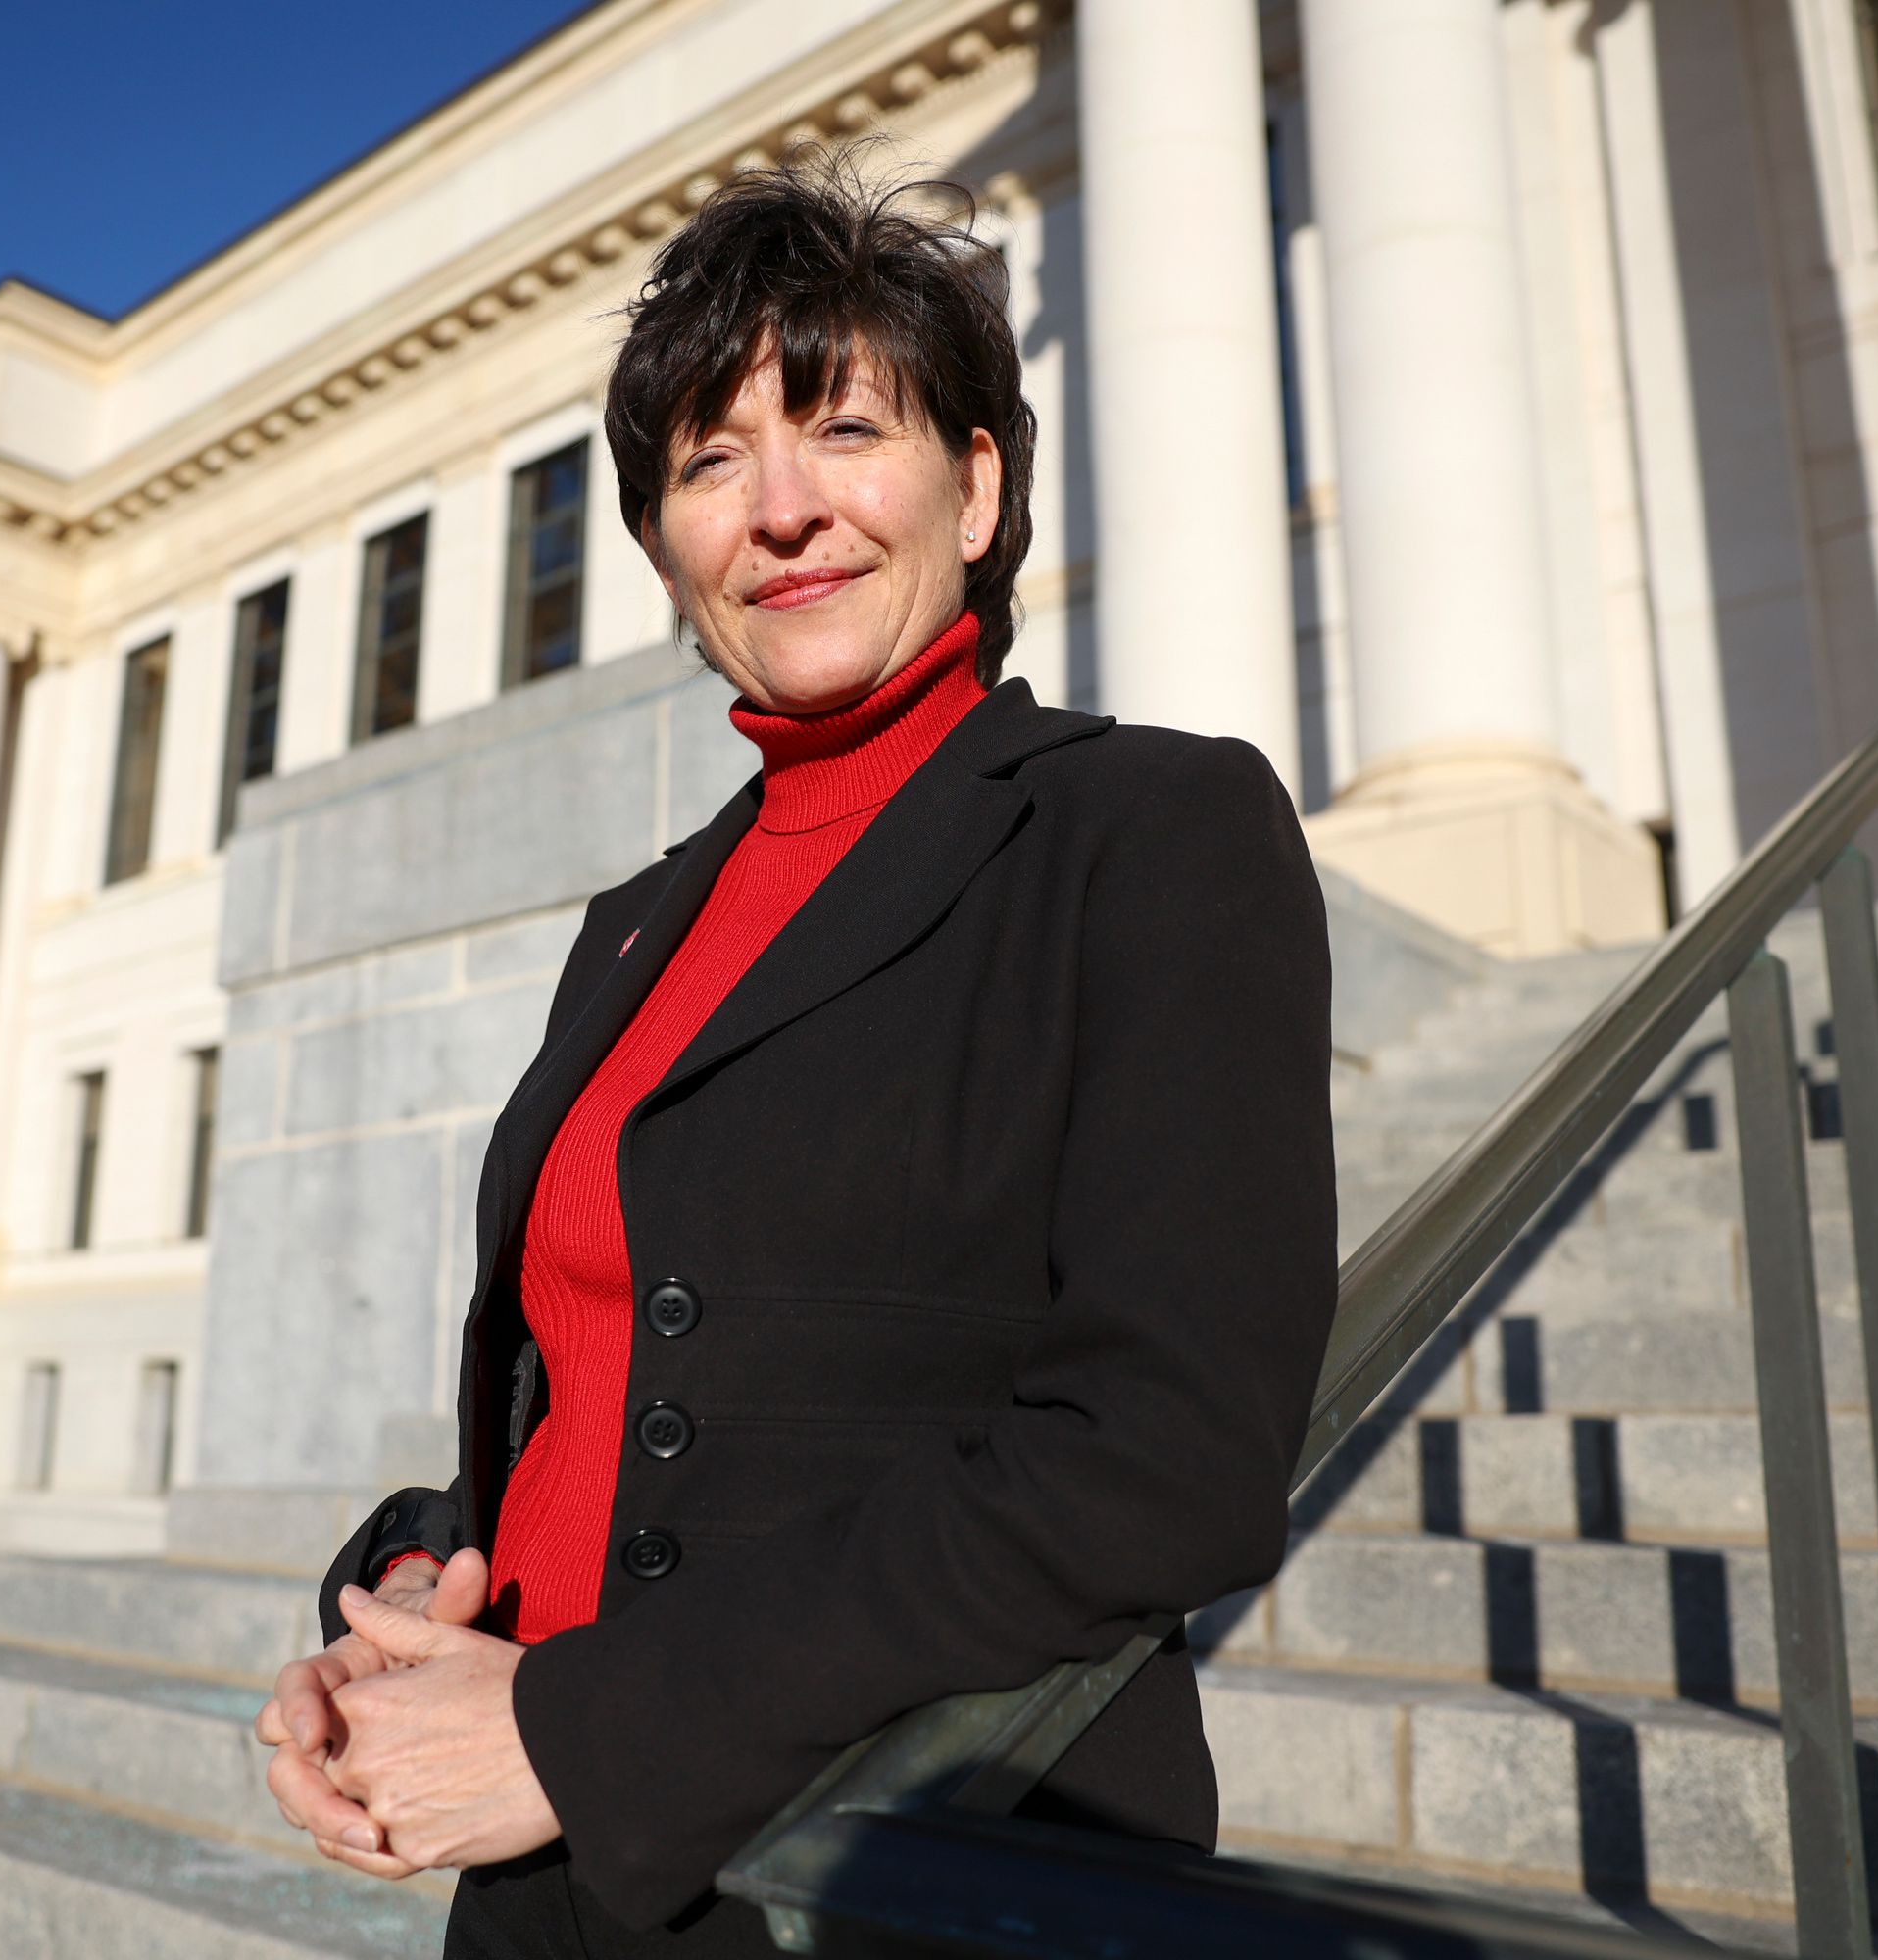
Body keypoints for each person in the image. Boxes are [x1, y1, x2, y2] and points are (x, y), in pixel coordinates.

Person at [254, 151, 1338, 1958]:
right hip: (542, 1884)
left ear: (977, 488)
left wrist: (579, 1731)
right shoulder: (635, 927)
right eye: (709, 462)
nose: (781, 510)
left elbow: (1166, 1453)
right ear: (665, 553)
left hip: (899, 1864)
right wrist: (414, 1593)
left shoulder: (1151, 829)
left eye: (846, 430)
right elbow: (601, 1393)